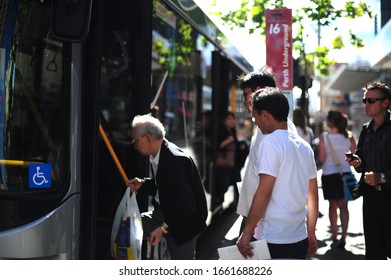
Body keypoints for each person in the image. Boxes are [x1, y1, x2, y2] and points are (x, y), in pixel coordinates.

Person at [236, 87, 319, 259]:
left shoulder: (270, 142)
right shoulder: (305, 147)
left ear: (265, 115)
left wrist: (246, 232)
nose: (255, 122)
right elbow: (313, 194)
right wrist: (311, 232)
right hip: (299, 238)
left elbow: (264, 192)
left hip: (272, 238)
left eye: (255, 116)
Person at [126, 114, 208, 260]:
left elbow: (186, 206)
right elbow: (165, 187)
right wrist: (143, 183)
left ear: (148, 138)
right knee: (127, 227)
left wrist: (162, 229)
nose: (134, 145)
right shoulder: (160, 154)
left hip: (184, 223)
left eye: (136, 141)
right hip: (167, 213)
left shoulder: (174, 160)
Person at [236, 67, 297, 227]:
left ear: (257, 91)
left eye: (245, 93)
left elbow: (267, 187)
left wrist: (249, 228)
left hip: (261, 219)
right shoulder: (269, 125)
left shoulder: (272, 130)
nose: (244, 100)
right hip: (258, 216)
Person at [347, 81, 391, 260]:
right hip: (371, 199)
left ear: (385, 103)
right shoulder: (366, 130)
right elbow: (362, 162)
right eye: (365, 100)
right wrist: (358, 163)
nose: (366, 104)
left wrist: (383, 177)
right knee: (374, 254)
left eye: (371, 100)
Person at [317, 110, 356, 249]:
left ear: (330, 121)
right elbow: (355, 156)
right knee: (344, 207)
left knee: (332, 206)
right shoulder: (349, 136)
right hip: (345, 174)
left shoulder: (324, 137)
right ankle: (343, 236)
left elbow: (321, 158)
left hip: (329, 174)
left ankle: (334, 235)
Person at [214, 111, 243, 209]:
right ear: (223, 121)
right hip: (224, 163)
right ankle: (220, 202)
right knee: (225, 184)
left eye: (233, 119)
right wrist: (228, 141)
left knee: (237, 182)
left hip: (232, 163)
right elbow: (218, 146)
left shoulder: (232, 131)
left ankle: (239, 204)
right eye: (229, 119)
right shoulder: (221, 132)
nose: (232, 121)